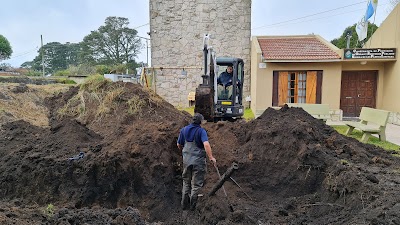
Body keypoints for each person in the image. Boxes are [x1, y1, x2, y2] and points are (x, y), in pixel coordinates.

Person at [177, 113, 217, 211]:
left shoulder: (184, 130)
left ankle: (183, 205)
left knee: (186, 182)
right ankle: (192, 207)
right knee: (196, 185)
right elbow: (206, 145)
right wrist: (211, 157)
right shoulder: (201, 131)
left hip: (186, 161)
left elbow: (179, 144)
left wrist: (185, 152)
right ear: (200, 122)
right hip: (198, 162)